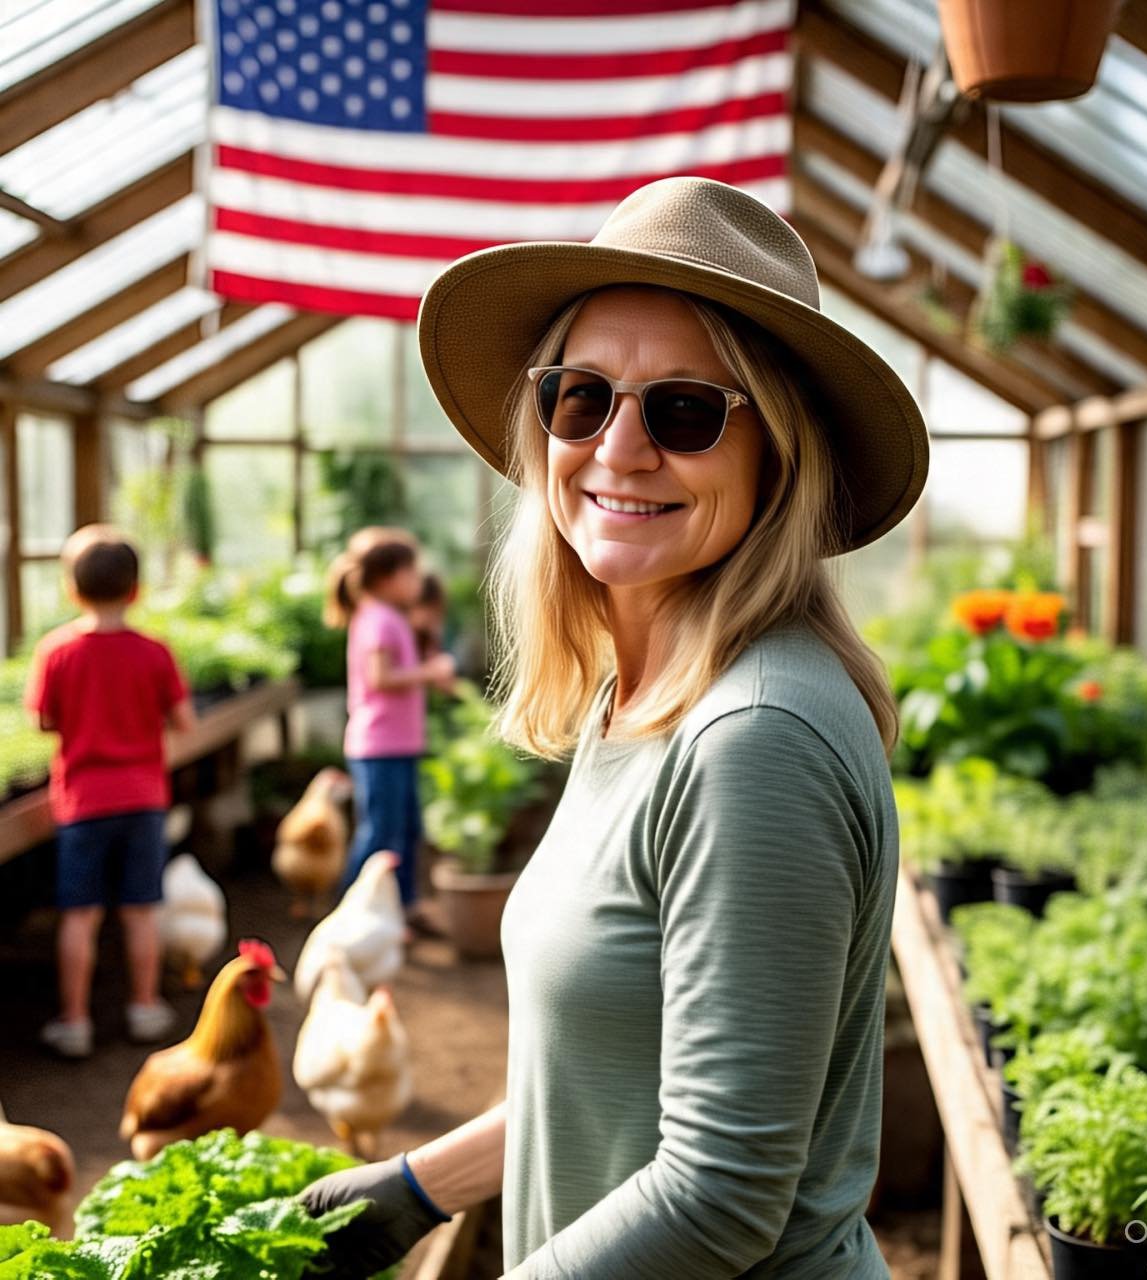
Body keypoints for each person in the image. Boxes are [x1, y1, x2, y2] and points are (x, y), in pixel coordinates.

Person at [302, 176, 928, 1278]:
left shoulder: (752, 738)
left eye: (683, 410)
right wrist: (419, 1185)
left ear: (776, 454)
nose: (619, 448)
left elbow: (721, 1192)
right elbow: (627, 1074)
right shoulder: (636, 691)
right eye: (580, 397)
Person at [25, 524, 196, 1059]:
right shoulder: (154, 652)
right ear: (136, 589)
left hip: (82, 802)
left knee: (80, 914)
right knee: (141, 909)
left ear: (71, 590)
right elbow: (185, 722)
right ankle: (145, 1007)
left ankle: (74, 1020)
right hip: (144, 799)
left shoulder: (55, 651)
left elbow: (44, 721)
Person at [324, 528, 455, 920]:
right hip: (379, 747)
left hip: (398, 744)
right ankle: (348, 912)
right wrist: (428, 670)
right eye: (412, 573)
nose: (418, 581)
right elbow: (380, 677)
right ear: (388, 577)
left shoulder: (385, 617)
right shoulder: (379, 620)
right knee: (380, 835)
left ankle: (405, 908)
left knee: (408, 831)